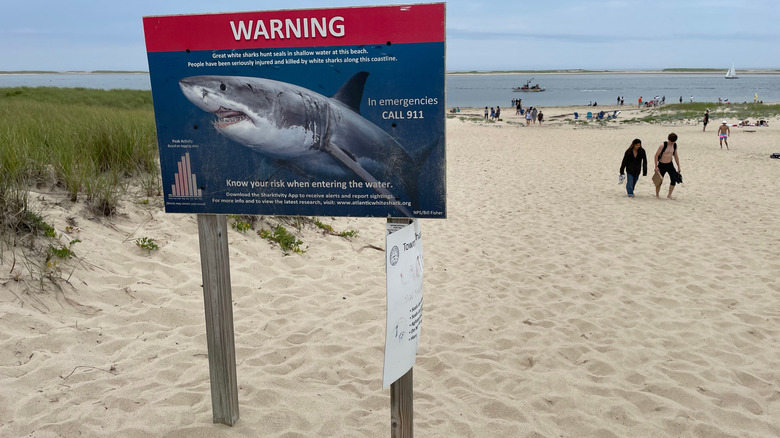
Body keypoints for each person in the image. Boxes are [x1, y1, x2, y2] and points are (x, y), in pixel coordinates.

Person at [653, 133, 682, 199]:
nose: (672, 143)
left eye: (673, 142)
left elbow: (676, 156)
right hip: (661, 164)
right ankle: (657, 194)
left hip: (670, 164)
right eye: (671, 141)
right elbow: (656, 155)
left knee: (674, 179)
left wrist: (678, 166)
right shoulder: (663, 145)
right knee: (659, 180)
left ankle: (669, 194)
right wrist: (656, 166)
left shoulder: (674, 146)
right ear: (668, 139)